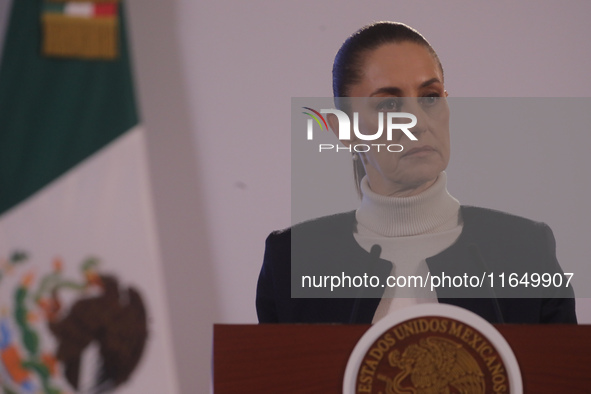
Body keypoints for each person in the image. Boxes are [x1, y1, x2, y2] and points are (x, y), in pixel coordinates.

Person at [256, 21, 576, 325]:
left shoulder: (524, 250)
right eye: (389, 105)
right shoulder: (291, 261)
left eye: (430, 97)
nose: (418, 122)